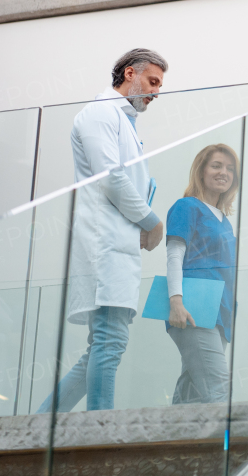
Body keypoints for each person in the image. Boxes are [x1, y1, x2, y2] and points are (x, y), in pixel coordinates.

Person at [40, 49, 168, 412]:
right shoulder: (100, 113)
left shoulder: (124, 122)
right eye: (152, 82)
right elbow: (110, 177)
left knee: (103, 345)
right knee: (109, 343)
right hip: (105, 245)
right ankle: (101, 428)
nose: (156, 92)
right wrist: (151, 221)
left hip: (117, 245)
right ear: (130, 73)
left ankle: (40, 424)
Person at [165, 144, 239, 404]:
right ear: (201, 171)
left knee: (193, 392)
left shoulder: (225, 222)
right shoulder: (187, 207)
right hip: (193, 308)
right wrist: (176, 301)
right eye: (216, 166)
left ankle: (170, 441)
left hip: (221, 314)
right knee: (218, 390)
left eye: (230, 169)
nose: (224, 173)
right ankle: (230, 445)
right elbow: (175, 254)